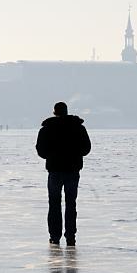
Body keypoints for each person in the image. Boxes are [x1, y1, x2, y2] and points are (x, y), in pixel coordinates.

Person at [36, 102, 91, 247]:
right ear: (66, 112)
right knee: (71, 204)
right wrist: (75, 154)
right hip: (72, 170)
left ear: (54, 112)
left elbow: (40, 150)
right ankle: (70, 236)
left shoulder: (47, 129)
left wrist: (52, 156)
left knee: (54, 204)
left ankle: (55, 236)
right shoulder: (78, 128)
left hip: (54, 170)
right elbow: (87, 148)